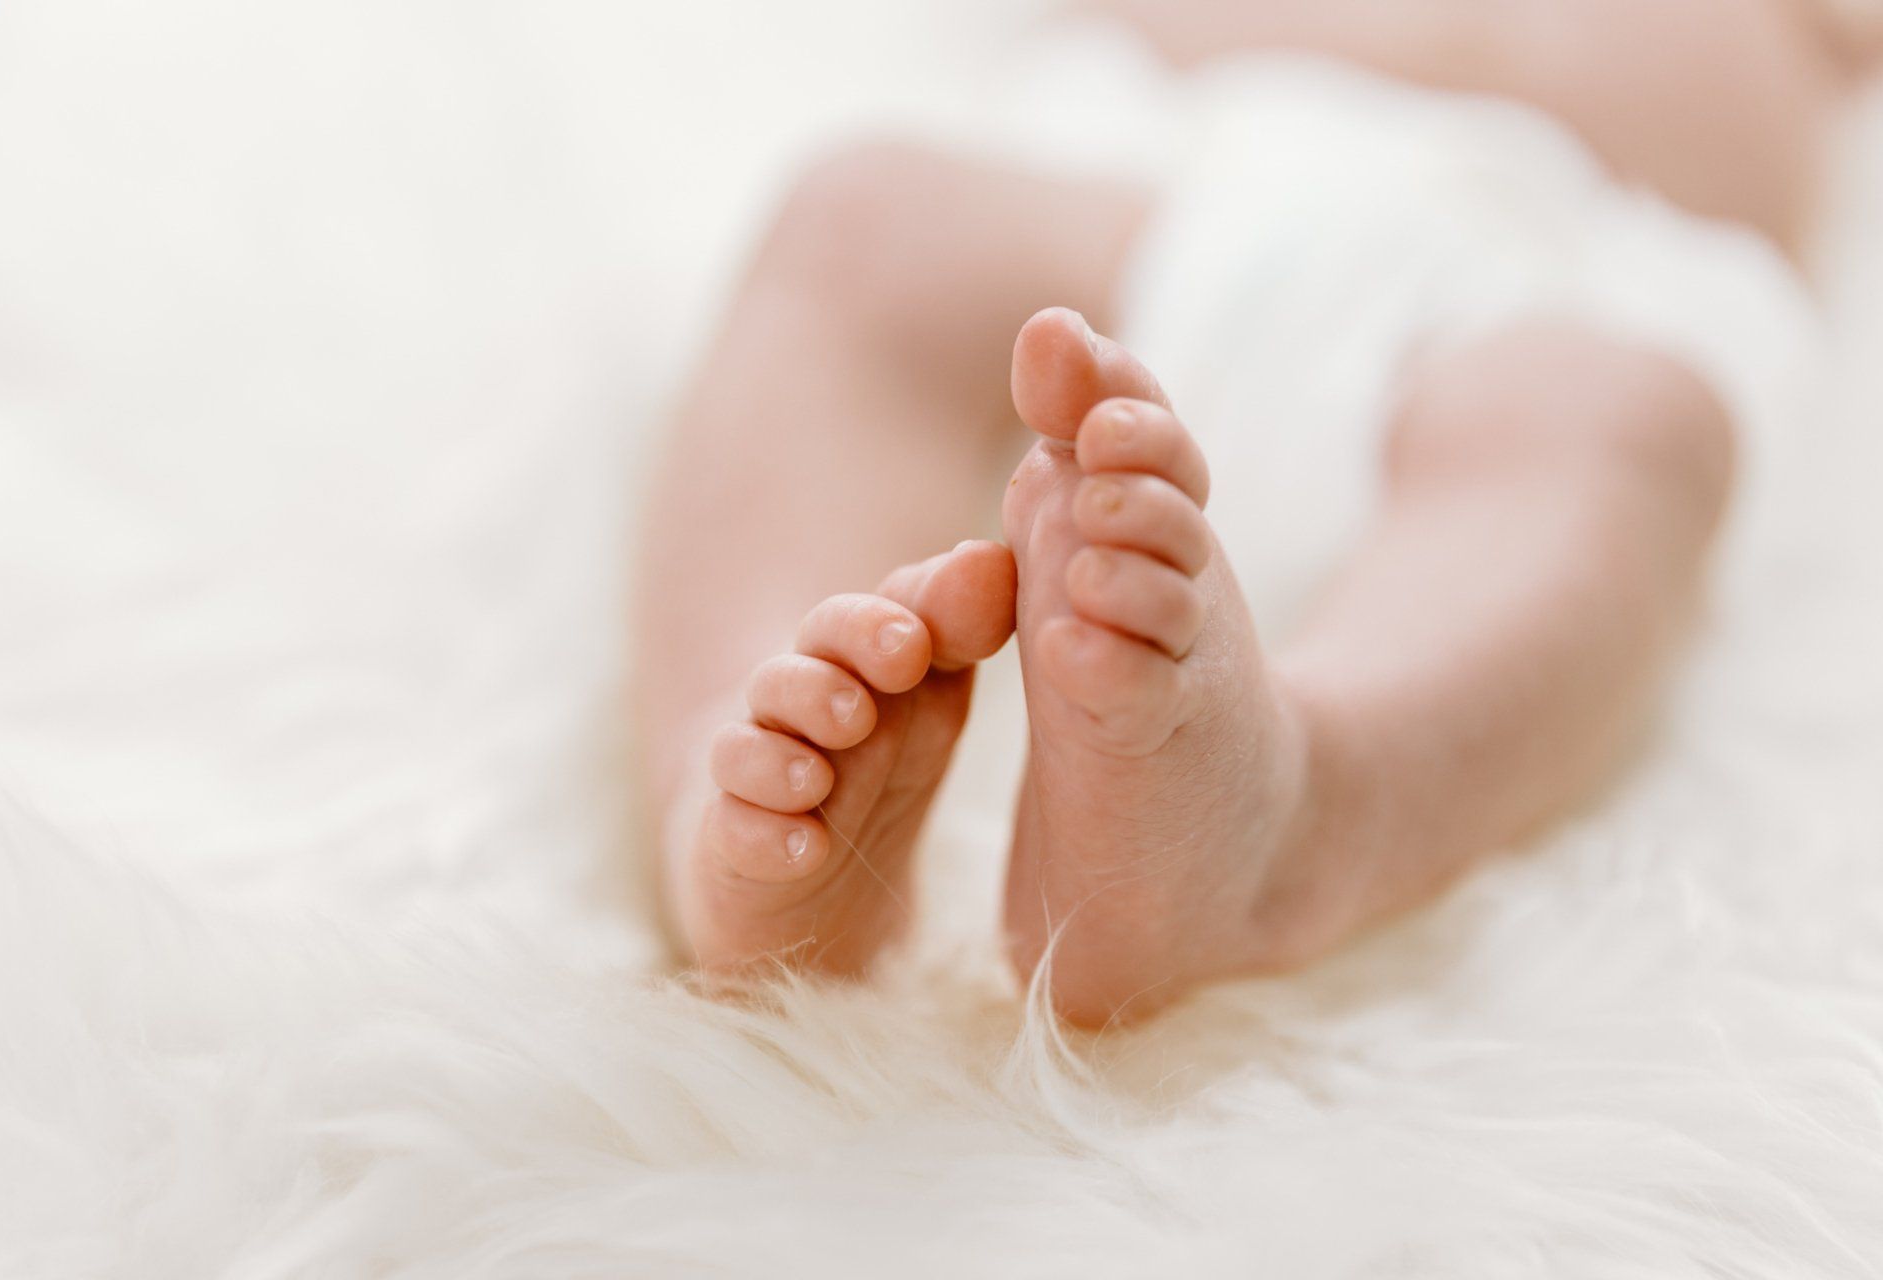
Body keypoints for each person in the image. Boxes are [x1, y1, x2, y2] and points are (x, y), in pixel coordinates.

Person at [631, 0, 1878, 1024]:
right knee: (867, 218)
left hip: (1569, 255)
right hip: (1155, 164)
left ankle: (1289, 808)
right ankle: (737, 782)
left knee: (1619, 425)